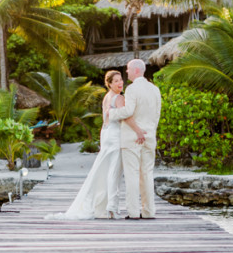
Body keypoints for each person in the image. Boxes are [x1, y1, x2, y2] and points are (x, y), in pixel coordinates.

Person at [45, 70, 143, 220]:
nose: (120, 83)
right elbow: (127, 117)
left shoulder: (107, 97)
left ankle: (106, 205)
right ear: (109, 84)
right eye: (115, 81)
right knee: (114, 172)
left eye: (120, 80)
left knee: (103, 169)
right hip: (115, 136)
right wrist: (138, 131)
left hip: (106, 134)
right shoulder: (119, 98)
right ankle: (112, 206)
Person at [108, 58, 162, 219]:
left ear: (136, 71)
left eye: (128, 69)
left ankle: (132, 212)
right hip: (149, 136)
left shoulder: (132, 89)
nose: (126, 72)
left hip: (132, 137)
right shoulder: (155, 90)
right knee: (147, 173)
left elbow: (128, 111)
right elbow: (157, 115)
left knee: (131, 174)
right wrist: (149, 131)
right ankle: (148, 211)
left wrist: (112, 114)